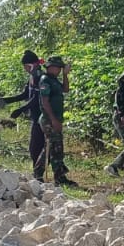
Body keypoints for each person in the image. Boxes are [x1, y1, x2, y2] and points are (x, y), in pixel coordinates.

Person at [0, 50, 46, 179]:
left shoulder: (39, 76)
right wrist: (7, 100)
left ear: (31, 65)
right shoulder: (32, 76)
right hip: (35, 116)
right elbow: (25, 95)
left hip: (42, 116)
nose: (25, 69)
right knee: (35, 146)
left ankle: (38, 174)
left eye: (25, 67)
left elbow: (36, 99)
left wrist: (21, 110)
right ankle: (37, 172)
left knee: (36, 147)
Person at [36, 56, 77, 187]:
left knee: (55, 147)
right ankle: (39, 173)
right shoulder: (45, 80)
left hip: (55, 118)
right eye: (58, 68)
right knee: (51, 146)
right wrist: (53, 120)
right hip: (49, 119)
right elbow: (45, 102)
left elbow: (65, 89)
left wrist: (65, 75)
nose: (59, 70)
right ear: (51, 67)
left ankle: (58, 176)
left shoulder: (54, 80)